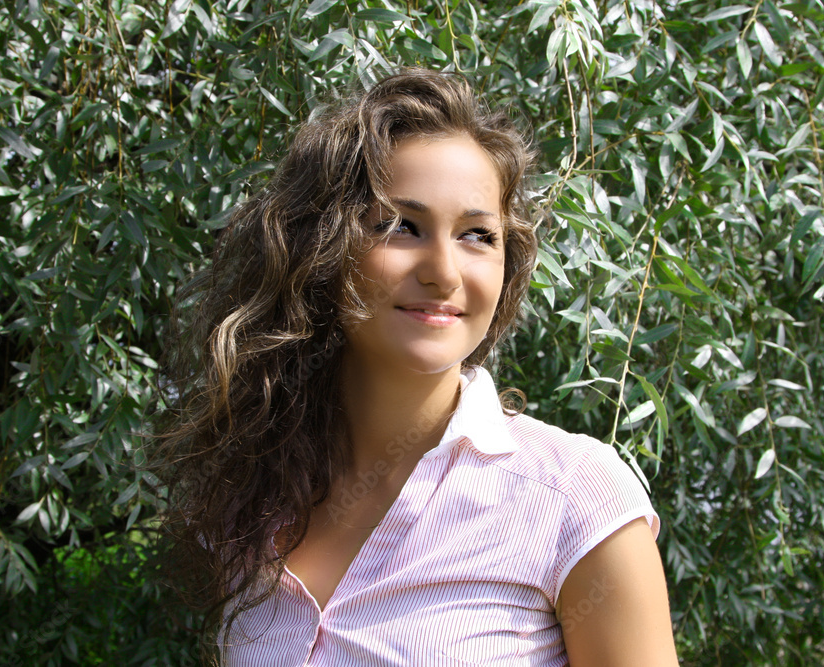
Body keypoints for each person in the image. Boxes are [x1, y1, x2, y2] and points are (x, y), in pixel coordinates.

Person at [153, 68, 678, 666]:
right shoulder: (251, 499)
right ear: (318, 248)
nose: (445, 273)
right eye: (402, 226)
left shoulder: (575, 499)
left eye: (477, 235)